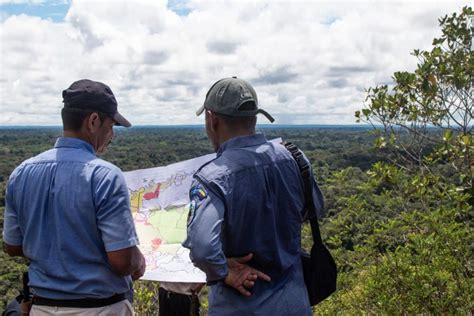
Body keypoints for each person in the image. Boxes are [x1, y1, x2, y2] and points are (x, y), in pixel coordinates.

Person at [2, 79, 146, 315]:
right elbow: (122, 263)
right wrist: (137, 261)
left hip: (41, 307)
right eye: (111, 126)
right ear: (93, 121)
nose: (112, 136)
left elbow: (12, 246)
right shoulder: (105, 176)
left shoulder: (21, 173)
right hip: (100, 308)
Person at [183, 77, 325, 315]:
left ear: (212, 119)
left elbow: (203, 249)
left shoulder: (212, 178)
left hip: (241, 306)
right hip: (295, 303)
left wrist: (226, 270)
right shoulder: (294, 158)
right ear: (255, 118)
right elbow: (316, 208)